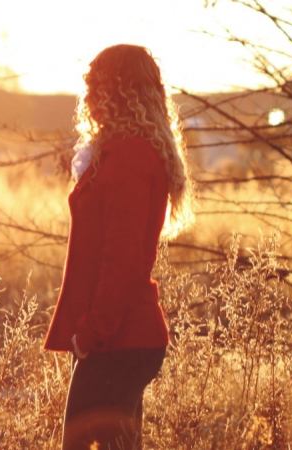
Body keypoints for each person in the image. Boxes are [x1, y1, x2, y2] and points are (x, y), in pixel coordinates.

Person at [43, 44, 195, 450]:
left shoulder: (130, 156)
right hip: (120, 337)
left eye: (97, 84)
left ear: (121, 91)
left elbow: (122, 259)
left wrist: (92, 331)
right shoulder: (122, 152)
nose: (89, 95)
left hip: (118, 338)